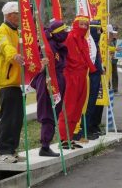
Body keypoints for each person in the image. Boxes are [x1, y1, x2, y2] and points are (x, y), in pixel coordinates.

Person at [0, 2, 25, 163]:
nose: (20, 17)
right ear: (10, 15)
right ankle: (3, 152)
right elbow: (6, 46)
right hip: (6, 81)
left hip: (16, 82)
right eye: (18, 14)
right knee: (9, 117)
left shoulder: (16, 32)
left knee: (17, 117)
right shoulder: (1, 31)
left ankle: (11, 150)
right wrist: (14, 56)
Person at [30, 20, 68, 157]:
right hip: (48, 81)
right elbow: (36, 64)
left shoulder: (58, 45)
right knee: (48, 113)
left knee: (54, 112)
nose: (66, 34)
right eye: (63, 31)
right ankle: (45, 146)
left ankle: (47, 143)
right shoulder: (46, 46)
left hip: (58, 79)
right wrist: (42, 63)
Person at [58, 16, 97, 149]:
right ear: (75, 24)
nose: (84, 27)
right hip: (70, 76)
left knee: (78, 108)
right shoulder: (69, 38)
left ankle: (70, 137)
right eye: (81, 24)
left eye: (86, 25)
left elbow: (86, 58)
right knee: (69, 107)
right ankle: (63, 138)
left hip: (82, 76)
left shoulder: (84, 41)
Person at [74, 20, 103, 141]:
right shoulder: (88, 44)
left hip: (95, 79)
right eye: (97, 30)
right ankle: (83, 130)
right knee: (87, 105)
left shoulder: (95, 44)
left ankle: (89, 128)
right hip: (88, 79)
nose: (100, 33)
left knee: (92, 105)